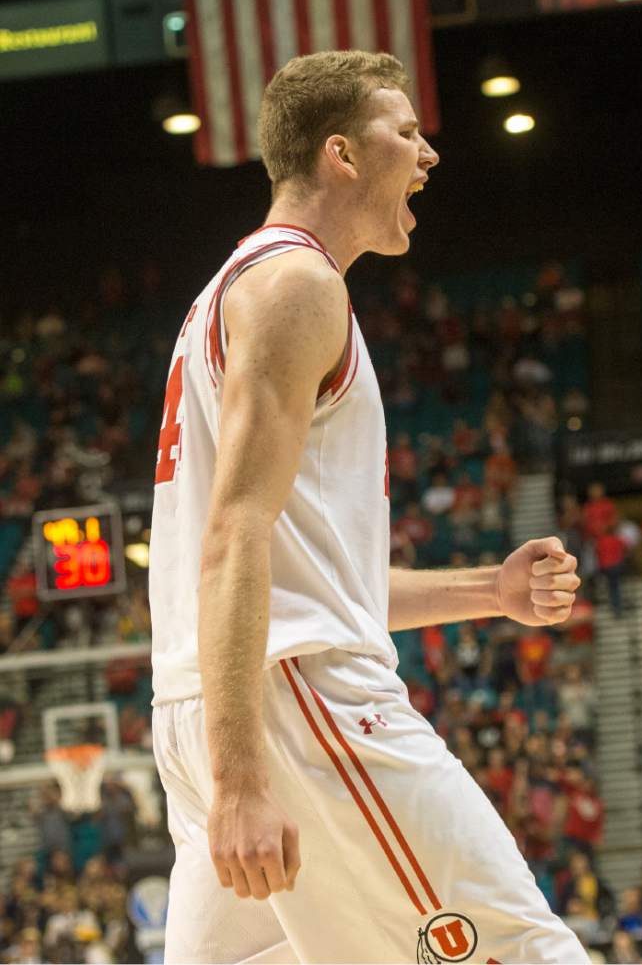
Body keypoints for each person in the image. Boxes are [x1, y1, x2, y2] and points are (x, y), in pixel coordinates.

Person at [148, 50, 588, 964]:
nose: (428, 156)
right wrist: (242, 779)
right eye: (408, 132)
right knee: (527, 952)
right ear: (341, 154)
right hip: (294, 704)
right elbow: (235, 536)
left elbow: (304, 573)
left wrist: (488, 591)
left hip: (213, 702)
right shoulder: (299, 285)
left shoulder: (228, 293)